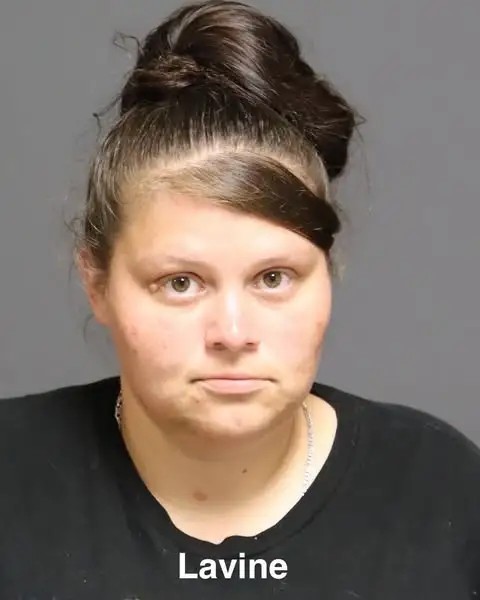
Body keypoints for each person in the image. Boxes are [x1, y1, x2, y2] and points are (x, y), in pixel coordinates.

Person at [1, 0, 479, 597]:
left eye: (273, 278)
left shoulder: (441, 494)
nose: (232, 333)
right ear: (97, 283)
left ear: (326, 272)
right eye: (181, 283)